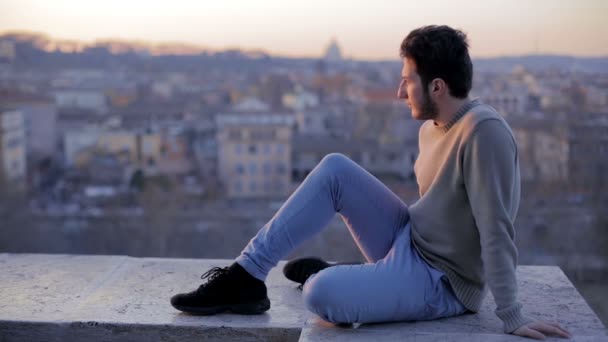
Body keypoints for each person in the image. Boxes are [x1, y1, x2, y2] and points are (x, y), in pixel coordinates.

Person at [171, 25, 571, 340]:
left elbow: (497, 230)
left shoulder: (484, 134)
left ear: (437, 86)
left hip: (443, 282)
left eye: (407, 80)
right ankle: (244, 277)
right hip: (412, 240)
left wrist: (512, 316)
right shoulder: (434, 127)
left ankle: (340, 275)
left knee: (320, 294)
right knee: (335, 169)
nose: (400, 92)